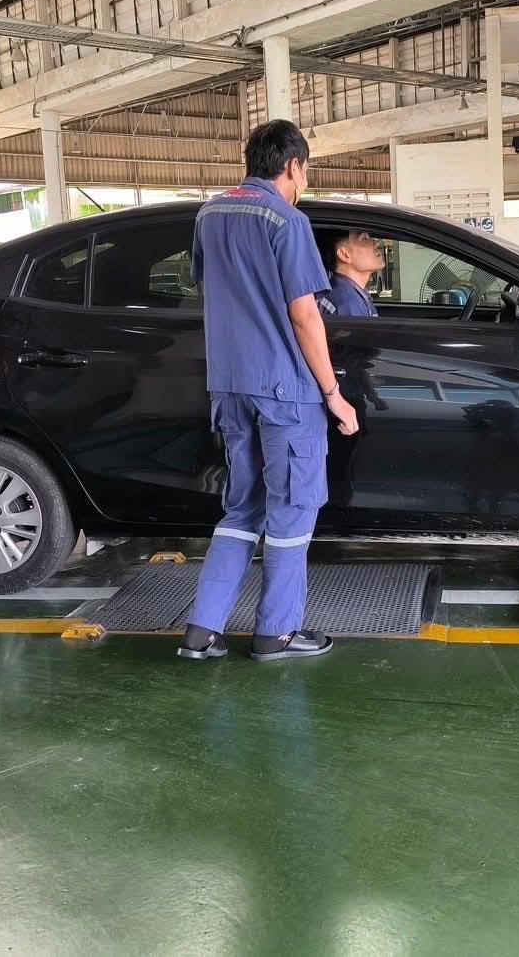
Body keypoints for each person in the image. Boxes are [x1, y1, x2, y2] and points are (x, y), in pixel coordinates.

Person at [178, 119, 359, 663]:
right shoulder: (287, 220)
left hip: (229, 386)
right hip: (285, 390)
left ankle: (203, 630)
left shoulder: (210, 214)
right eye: (305, 171)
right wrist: (333, 393)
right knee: (291, 511)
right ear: (293, 166)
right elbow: (305, 315)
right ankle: (276, 633)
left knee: (241, 508)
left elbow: (212, 286)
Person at [316, 229, 384, 318]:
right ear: (344, 254)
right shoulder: (346, 303)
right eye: (364, 239)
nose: (376, 243)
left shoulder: (349, 294)